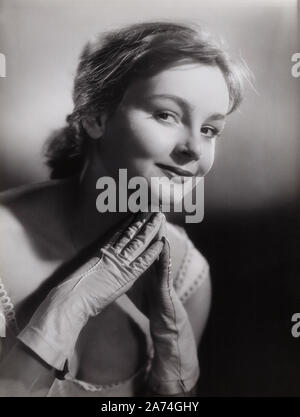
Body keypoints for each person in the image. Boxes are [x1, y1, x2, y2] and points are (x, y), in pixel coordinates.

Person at [0, 21, 246, 396]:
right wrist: (68, 306)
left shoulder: (187, 276)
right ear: (96, 116)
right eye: (166, 114)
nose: (194, 149)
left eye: (210, 129)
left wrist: (173, 386)